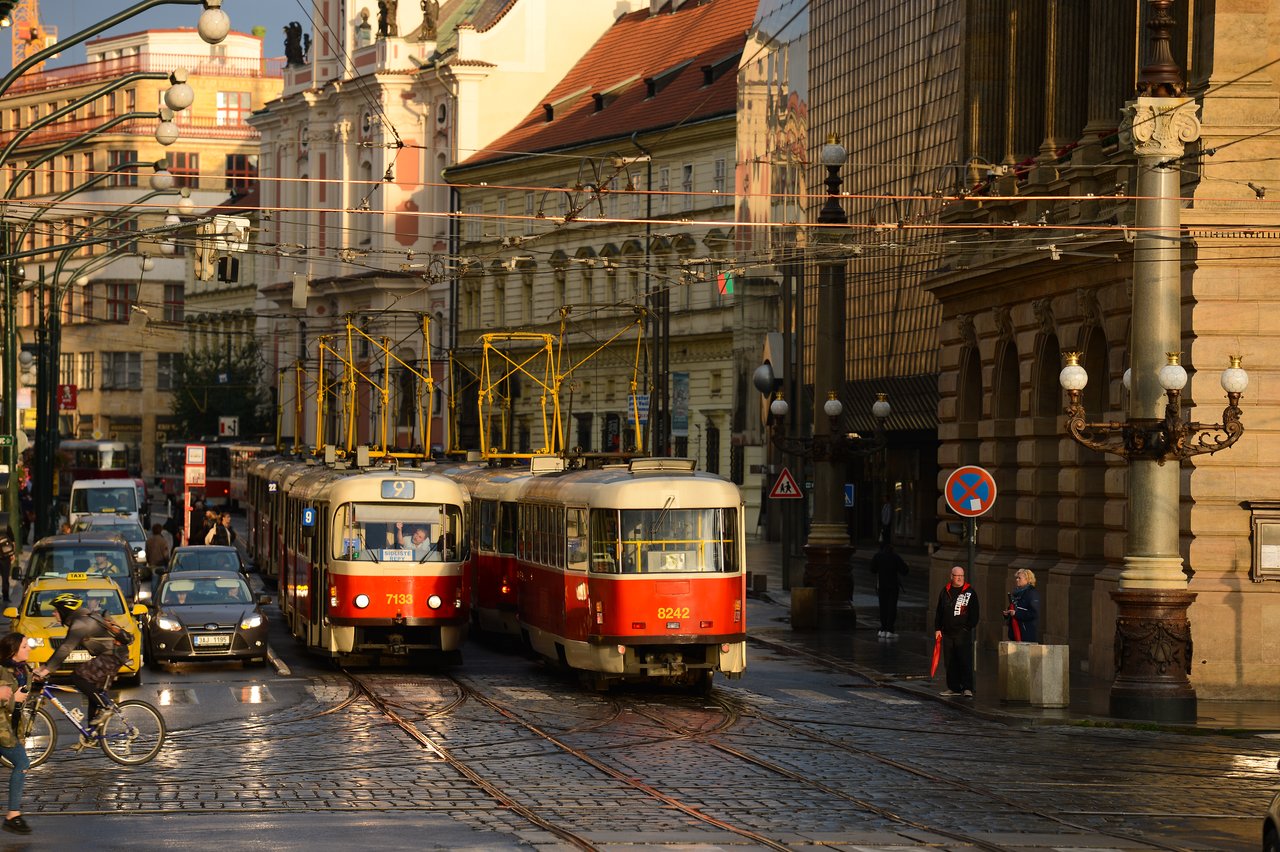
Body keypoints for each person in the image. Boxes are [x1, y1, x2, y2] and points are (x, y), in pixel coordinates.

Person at [34, 593, 123, 726]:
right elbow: (64, 648)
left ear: (65, 611)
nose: (53, 614)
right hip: (111, 655)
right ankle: (91, 735)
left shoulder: (80, 623)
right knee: (94, 693)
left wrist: (47, 669)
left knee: (78, 676)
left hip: (112, 656)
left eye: (56, 610)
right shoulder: (83, 618)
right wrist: (45, 666)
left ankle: (106, 706)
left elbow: (66, 648)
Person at [0, 632, 32, 834]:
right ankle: (13, 815)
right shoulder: (3, 671)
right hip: (2, 729)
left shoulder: (22, 669)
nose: (29, 648)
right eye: (25, 646)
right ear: (13, 651)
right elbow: (7, 701)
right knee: (22, 762)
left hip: (9, 728)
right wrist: (14, 699)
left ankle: (13, 815)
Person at [934, 565, 979, 698]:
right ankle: (953, 687)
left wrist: (967, 628)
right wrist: (937, 628)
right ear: (951, 576)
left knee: (964, 660)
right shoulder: (945, 591)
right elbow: (939, 612)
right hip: (947, 632)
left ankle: (967, 688)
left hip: (962, 633)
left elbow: (975, 614)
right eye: (956, 576)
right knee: (949, 661)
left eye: (961, 576)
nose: (959, 578)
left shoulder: (969, 592)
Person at [870, 541, 908, 638]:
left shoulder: (877, 556)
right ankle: (889, 630)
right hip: (893, 585)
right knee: (891, 607)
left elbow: (872, 569)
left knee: (883, 607)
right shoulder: (895, 557)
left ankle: (883, 628)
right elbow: (904, 571)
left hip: (881, 585)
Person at [1003, 568, 1040, 643]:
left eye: (1019, 578)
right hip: (1015, 632)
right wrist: (1007, 613)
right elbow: (1014, 607)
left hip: (1025, 633)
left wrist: (1016, 614)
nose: (1017, 580)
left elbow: (1034, 613)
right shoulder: (1017, 593)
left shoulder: (1032, 593)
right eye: (1017, 578)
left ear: (1027, 579)